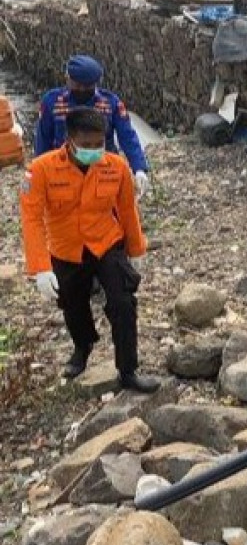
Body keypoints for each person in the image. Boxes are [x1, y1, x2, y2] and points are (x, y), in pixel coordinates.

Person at [20, 108, 159, 392]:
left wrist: (136, 248)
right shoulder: (40, 170)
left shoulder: (115, 166)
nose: (94, 151)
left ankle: (128, 369)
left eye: (100, 144)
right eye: (87, 145)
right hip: (66, 247)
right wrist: (41, 268)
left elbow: (127, 210)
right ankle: (82, 347)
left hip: (106, 241)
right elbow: (31, 219)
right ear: (70, 139)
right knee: (73, 304)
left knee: (123, 302)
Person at [34, 54, 151, 200]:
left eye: (87, 86)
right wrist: (39, 172)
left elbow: (127, 135)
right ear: (68, 79)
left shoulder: (110, 103)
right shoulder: (52, 102)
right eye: (78, 85)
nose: (82, 90)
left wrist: (139, 167)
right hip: (64, 168)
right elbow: (43, 138)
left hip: (104, 169)